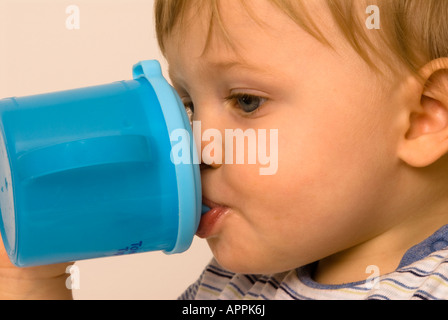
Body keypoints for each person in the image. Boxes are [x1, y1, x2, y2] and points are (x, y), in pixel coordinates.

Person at [1, 0, 447, 300]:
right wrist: (31, 277)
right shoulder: (235, 285)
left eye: (246, 101)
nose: (193, 144)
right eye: (187, 103)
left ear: (422, 117)